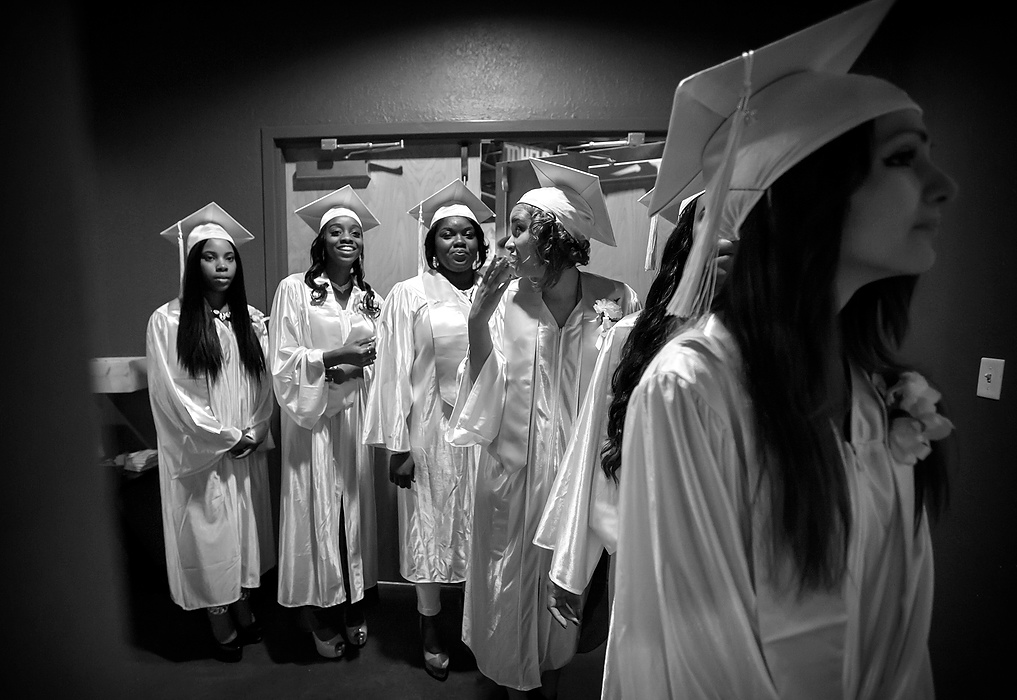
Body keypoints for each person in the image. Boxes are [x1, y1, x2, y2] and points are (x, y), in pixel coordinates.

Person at [603, 0, 958, 697]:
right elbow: (696, 644)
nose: (943, 187)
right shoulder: (692, 388)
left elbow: (898, 625)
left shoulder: (874, 386)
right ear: (803, 198)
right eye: (901, 159)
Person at [447, 159, 640, 698]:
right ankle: (516, 686)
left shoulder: (617, 300)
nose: (506, 243)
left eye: (519, 228)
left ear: (555, 239)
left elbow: (627, 394)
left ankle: (551, 681)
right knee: (511, 596)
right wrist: (476, 318)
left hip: (578, 482)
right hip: (515, 477)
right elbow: (479, 391)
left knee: (567, 596)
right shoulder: (505, 302)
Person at [532, 189, 706, 638]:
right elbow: (597, 454)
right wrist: (573, 567)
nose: (728, 236)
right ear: (687, 241)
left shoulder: (787, 346)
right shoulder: (635, 337)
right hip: (651, 544)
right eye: (711, 218)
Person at [363, 180, 493, 681]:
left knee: (481, 528)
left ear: (481, 244)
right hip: (429, 435)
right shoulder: (409, 295)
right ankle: (430, 627)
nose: (458, 243)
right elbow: (394, 372)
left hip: (486, 434)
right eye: (447, 235)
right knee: (430, 531)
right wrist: (399, 447)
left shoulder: (496, 293)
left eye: (468, 235)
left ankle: (479, 626)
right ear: (431, 245)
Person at [145, 202, 276, 663]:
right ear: (190, 262)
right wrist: (226, 436)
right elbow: (174, 396)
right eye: (208, 257)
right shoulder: (168, 321)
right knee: (210, 530)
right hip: (204, 452)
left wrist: (256, 429)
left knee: (241, 529)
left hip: (243, 444)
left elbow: (265, 384)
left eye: (229, 257)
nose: (222, 266)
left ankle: (240, 599)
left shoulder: (252, 321)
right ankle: (218, 613)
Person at [269, 186, 383, 660]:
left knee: (349, 516)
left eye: (354, 232)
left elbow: (383, 360)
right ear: (321, 241)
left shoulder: (368, 298)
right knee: (311, 514)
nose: (347, 238)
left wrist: (359, 368)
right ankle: (316, 614)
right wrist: (331, 357)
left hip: (352, 420)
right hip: (310, 422)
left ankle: (353, 604)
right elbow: (282, 359)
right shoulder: (295, 289)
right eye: (336, 231)